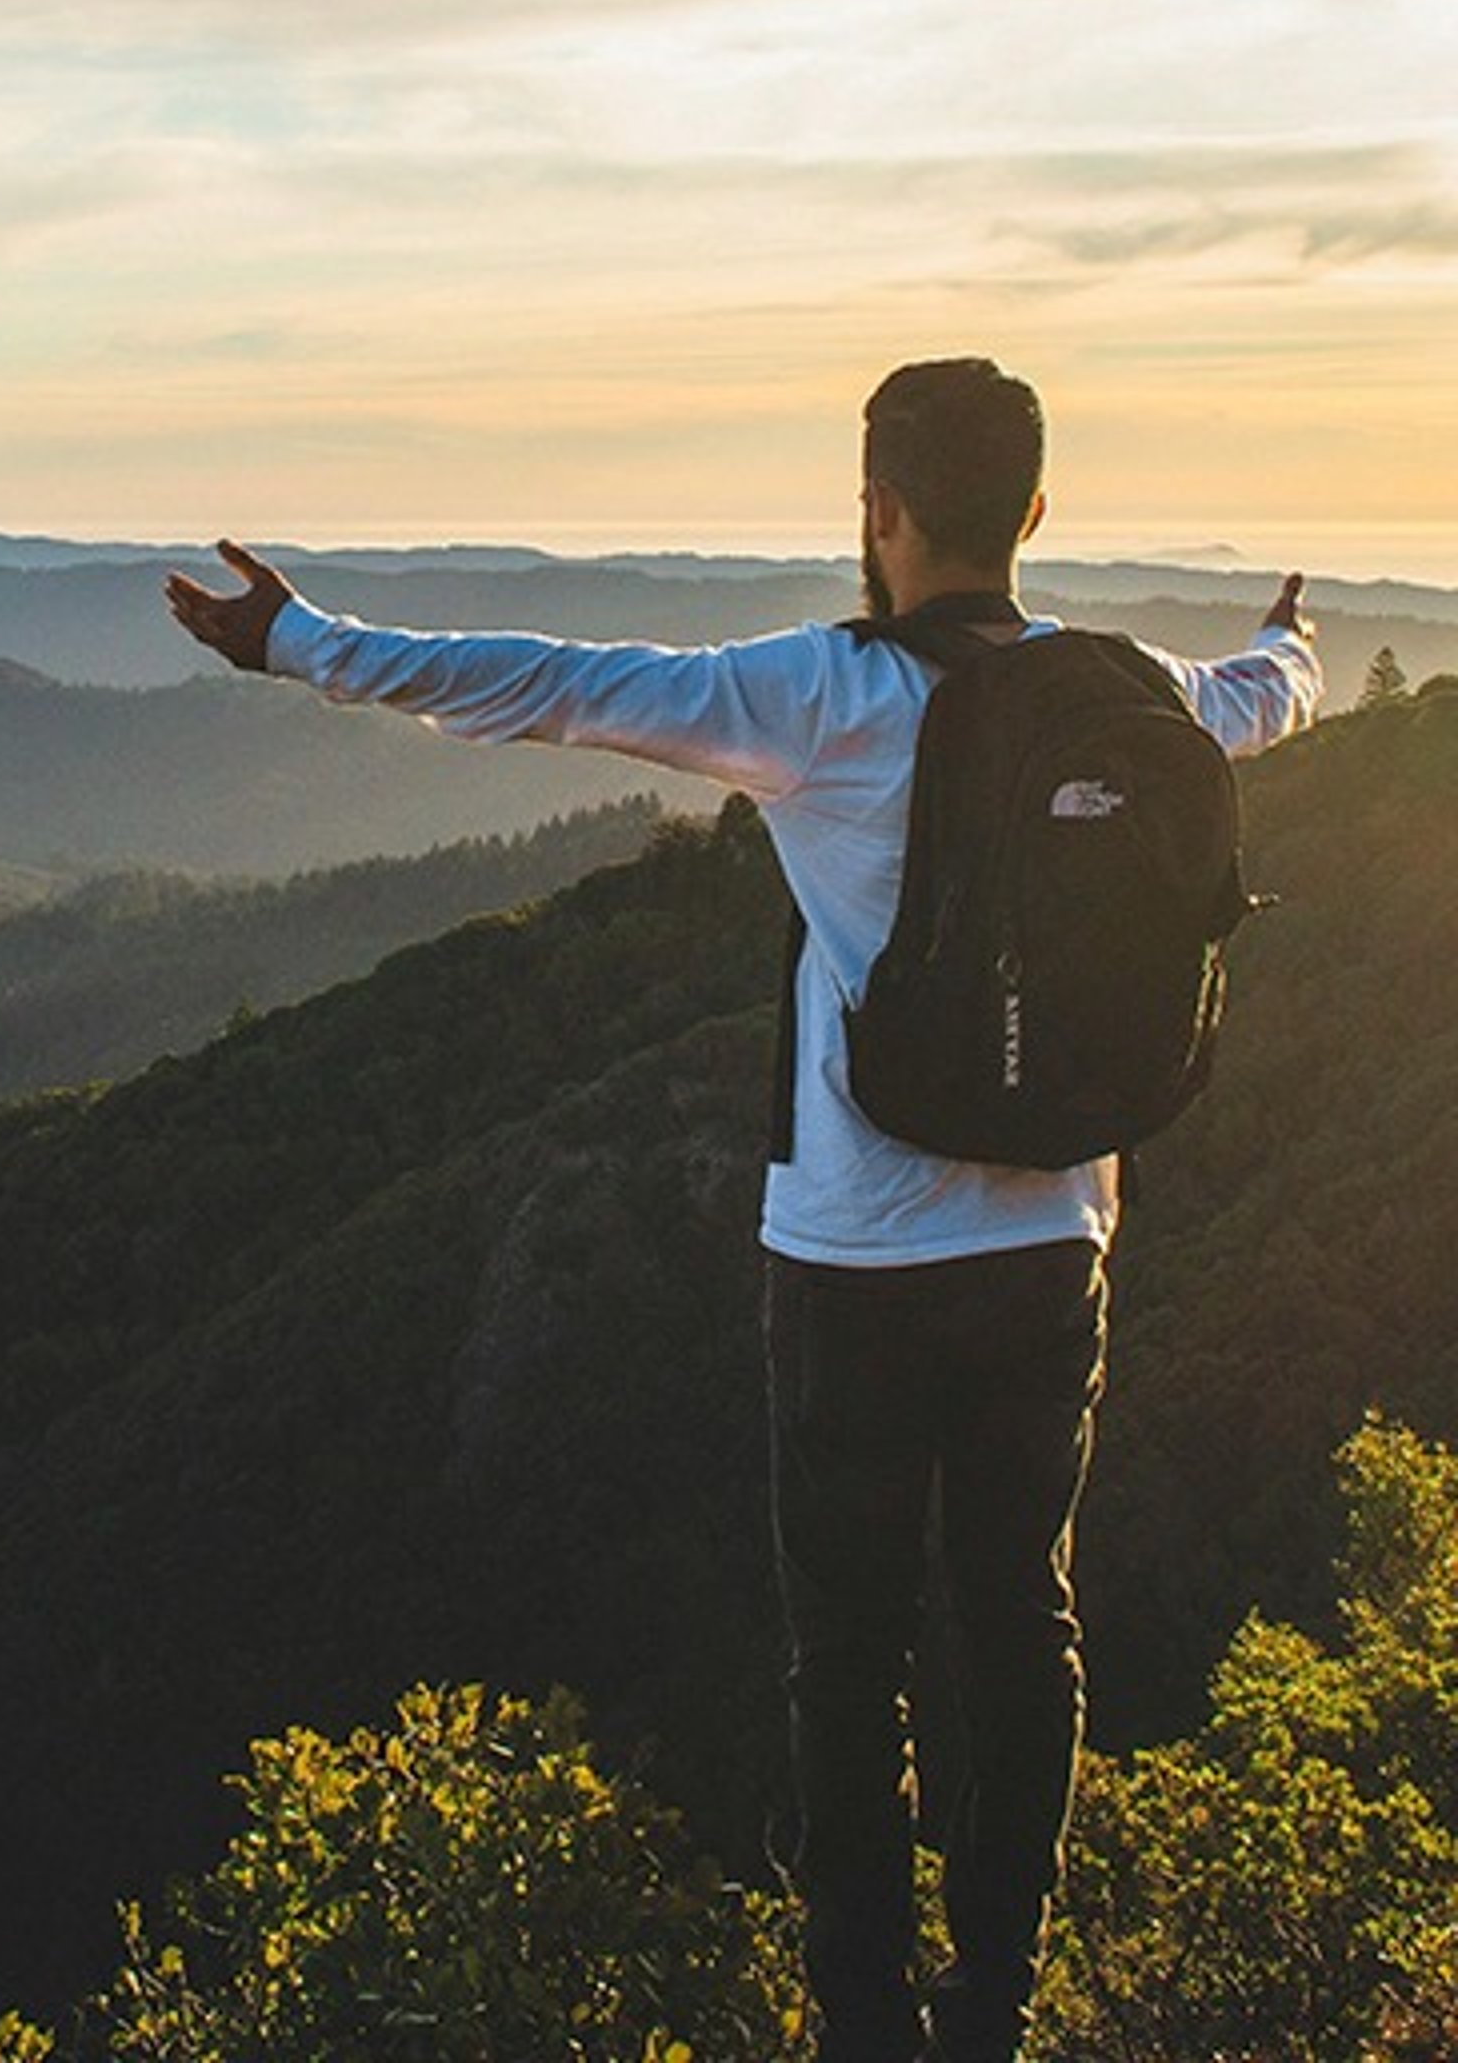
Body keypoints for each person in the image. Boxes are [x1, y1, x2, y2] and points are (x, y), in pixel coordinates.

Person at [162, 356, 1324, 2063]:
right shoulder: (1126, 686)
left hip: (855, 1261)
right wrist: (1295, 643)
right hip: (1053, 1246)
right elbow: (1253, 698)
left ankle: (863, 2014)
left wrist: (303, 644)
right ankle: (990, 1997)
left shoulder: (830, 697)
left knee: (849, 1654)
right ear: (1037, 514)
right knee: (1023, 1615)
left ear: (883, 514)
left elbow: (553, 684)